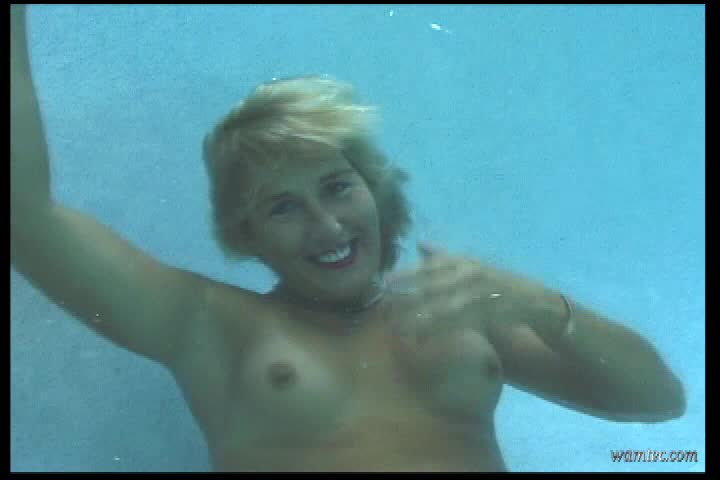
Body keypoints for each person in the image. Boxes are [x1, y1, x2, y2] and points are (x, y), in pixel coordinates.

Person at [11, 4, 686, 472]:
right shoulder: (209, 325)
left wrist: (542, 306)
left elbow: (659, 404)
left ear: (375, 190)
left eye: (337, 187)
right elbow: (24, 215)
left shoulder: (457, 310)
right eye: (283, 207)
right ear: (247, 234)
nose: (328, 226)